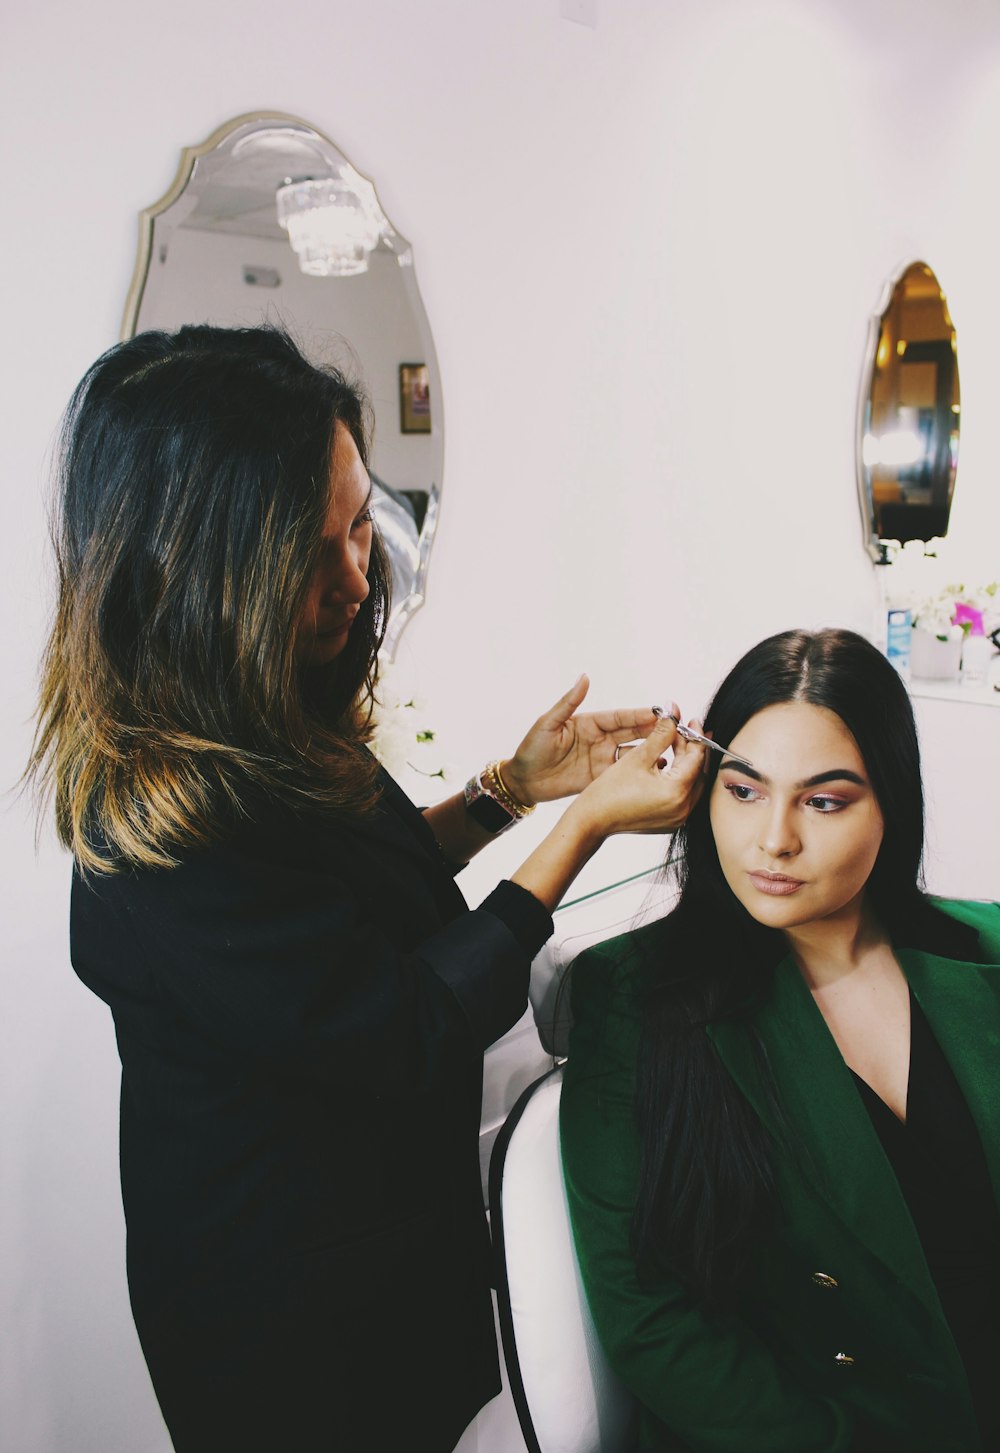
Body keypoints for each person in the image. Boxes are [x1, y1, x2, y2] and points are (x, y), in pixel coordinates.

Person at [28, 324, 705, 1453]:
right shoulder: (160, 833)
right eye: (314, 546)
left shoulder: (261, 710)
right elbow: (403, 1024)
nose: (355, 576)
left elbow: (343, 904)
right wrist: (584, 825)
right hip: (280, 1311)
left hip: (378, 1237)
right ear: (211, 565)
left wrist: (510, 791)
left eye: (359, 525)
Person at [560, 628, 1000, 1453]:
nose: (775, 840)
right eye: (745, 790)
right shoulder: (635, 994)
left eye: (824, 800)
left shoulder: (987, 952)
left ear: (890, 803)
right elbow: (649, 1318)